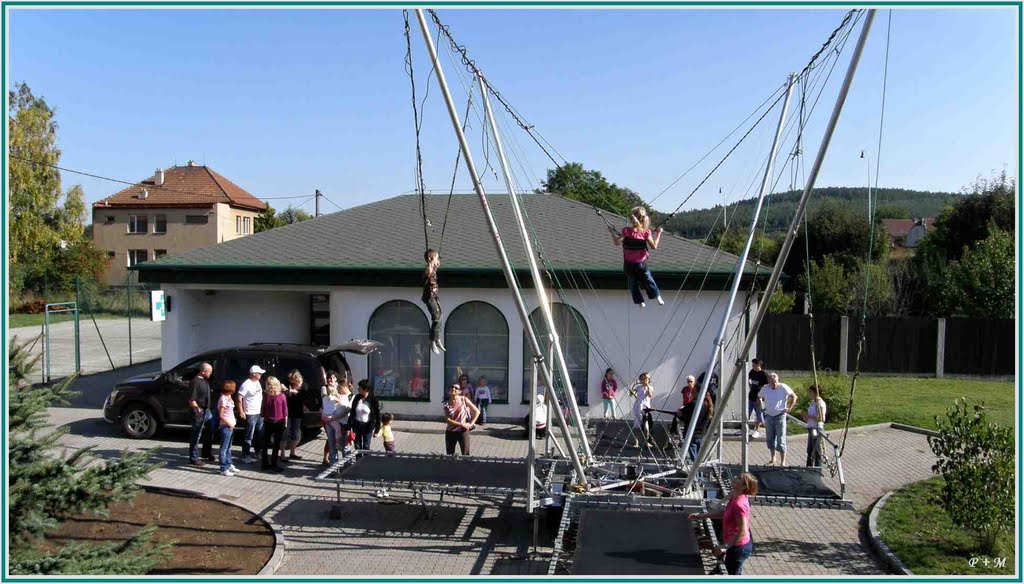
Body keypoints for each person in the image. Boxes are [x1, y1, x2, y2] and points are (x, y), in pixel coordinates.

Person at [689, 472, 757, 575]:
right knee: (730, 569)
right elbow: (725, 513)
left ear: (744, 486)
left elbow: (742, 531)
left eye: (738, 478)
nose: (734, 477)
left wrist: (725, 547)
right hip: (735, 544)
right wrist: (702, 516)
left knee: (732, 575)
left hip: (738, 547)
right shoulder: (736, 497)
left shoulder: (739, 504)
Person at [610, 206, 664, 307]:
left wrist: (612, 232)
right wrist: (658, 234)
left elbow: (617, 242)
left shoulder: (626, 231)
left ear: (632, 218)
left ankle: (640, 302)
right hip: (641, 264)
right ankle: (657, 296)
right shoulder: (646, 233)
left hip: (629, 264)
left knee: (633, 282)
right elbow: (654, 247)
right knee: (648, 279)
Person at [757, 372, 798, 466]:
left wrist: (789, 407)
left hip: (780, 415)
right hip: (769, 415)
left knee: (781, 439)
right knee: (770, 438)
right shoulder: (765, 388)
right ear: (768, 381)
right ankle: (773, 458)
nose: (774, 383)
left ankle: (783, 461)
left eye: (775, 381)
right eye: (772, 382)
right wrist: (760, 404)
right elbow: (759, 396)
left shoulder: (783, 387)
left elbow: (794, 396)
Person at [237, 364, 265, 464]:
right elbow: (239, 398)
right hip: (250, 413)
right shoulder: (246, 384)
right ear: (253, 374)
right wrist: (241, 411)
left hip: (259, 412)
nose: (261, 375)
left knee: (259, 434)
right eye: (259, 373)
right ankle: (245, 455)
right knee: (249, 436)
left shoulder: (257, 382)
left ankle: (258, 452)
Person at [187, 362, 215, 466]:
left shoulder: (205, 380)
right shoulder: (195, 382)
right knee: (196, 435)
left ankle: (206, 452)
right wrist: (197, 408)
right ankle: (194, 458)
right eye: (209, 371)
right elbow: (192, 400)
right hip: (199, 412)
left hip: (207, 411)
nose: (211, 373)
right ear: (203, 371)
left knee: (211, 429)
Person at [443, 383, 479, 455]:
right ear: (449, 390)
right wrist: (462, 424)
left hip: (463, 432)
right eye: (452, 387)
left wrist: (471, 424)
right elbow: (448, 420)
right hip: (450, 432)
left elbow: (477, 411)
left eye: (456, 388)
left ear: (459, 392)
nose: (454, 389)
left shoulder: (464, 399)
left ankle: (465, 466)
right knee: (450, 454)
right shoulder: (446, 404)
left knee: (465, 453)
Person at [261, 376, 288, 472]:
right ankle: (274, 463)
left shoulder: (266, 396)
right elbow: (285, 411)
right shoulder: (282, 396)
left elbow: (263, 410)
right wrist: (285, 423)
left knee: (266, 443)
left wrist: (264, 416)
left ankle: (264, 463)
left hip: (268, 421)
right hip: (279, 421)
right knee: (276, 444)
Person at [422, 249, 445, 355]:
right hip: (430, 297)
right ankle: (432, 342)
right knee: (436, 319)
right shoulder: (428, 270)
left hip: (435, 296)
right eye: (437, 259)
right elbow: (428, 273)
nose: (439, 262)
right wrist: (431, 263)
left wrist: (435, 261)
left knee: (440, 317)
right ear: (431, 260)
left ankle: (437, 339)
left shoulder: (433, 270)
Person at [281, 370, 308, 461]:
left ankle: (292, 452)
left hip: (297, 413)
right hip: (287, 412)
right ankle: (282, 455)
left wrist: (290, 391)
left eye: (293, 379)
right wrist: (288, 390)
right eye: (290, 379)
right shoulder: (287, 384)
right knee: (285, 433)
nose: (291, 381)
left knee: (296, 434)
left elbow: (302, 395)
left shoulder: (303, 386)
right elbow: (283, 391)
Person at [348, 380, 381, 451]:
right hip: (356, 426)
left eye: (359, 388)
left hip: (367, 427)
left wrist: (377, 430)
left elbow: (377, 415)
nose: (358, 389)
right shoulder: (357, 398)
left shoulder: (373, 400)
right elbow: (352, 412)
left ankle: (365, 461)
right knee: (357, 446)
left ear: (365, 389)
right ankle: (358, 461)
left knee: (366, 446)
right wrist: (348, 427)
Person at [321, 375, 345, 465]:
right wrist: (334, 394)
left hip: (336, 416)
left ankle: (330, 458)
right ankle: (327, 458)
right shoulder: (325, 388)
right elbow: (325, 396)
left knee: (334, 435)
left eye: (333, 378)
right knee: (330, 437)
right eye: (329, 378)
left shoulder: (338, 386)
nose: (331, 380)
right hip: (328, 417)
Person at [217, 380, 239, 477]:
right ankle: (223, 468)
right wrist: (229, 424)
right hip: (226, 426)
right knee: (224, 448)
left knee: (229, 447)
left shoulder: (228, 397)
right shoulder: (223, 399)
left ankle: (229, 464)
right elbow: (221, 415)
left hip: (231, 425)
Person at [805, 384, 827, 467]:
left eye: (810, 392)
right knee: (810, 450)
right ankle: (809, 467)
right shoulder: (813, 402)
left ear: (815, 393)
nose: (809, 394)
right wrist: (806, 417)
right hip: (811, 427)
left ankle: (818, 467)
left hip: (816, 428)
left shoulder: (820, 403)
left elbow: (821, 418)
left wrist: (809, 416)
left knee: (816, 450)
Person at [630, 372, 655, 448]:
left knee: (646, 427)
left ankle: (646, 441)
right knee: (637, 426)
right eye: (642, 379)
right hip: (638, 408)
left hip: (646, 409)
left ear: (648, 380)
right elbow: (631, 394)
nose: (643, 380)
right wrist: (631, 391)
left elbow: (650, 395)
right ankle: (636, 442)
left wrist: (647, 385)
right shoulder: (638, 387)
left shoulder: (650, 387)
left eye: (645, 379)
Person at [747, 358, 769, 439]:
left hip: (759, 398)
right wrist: (750, 387)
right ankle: (745, 429)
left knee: (759, 415)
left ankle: (757, 430)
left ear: (759, 365)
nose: (752, 366)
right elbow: (749, 380)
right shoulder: (752, 372)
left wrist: (762, 397)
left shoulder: (764, 374)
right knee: (747, 413)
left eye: (754, 365)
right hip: (751, 396)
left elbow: (766, 386)